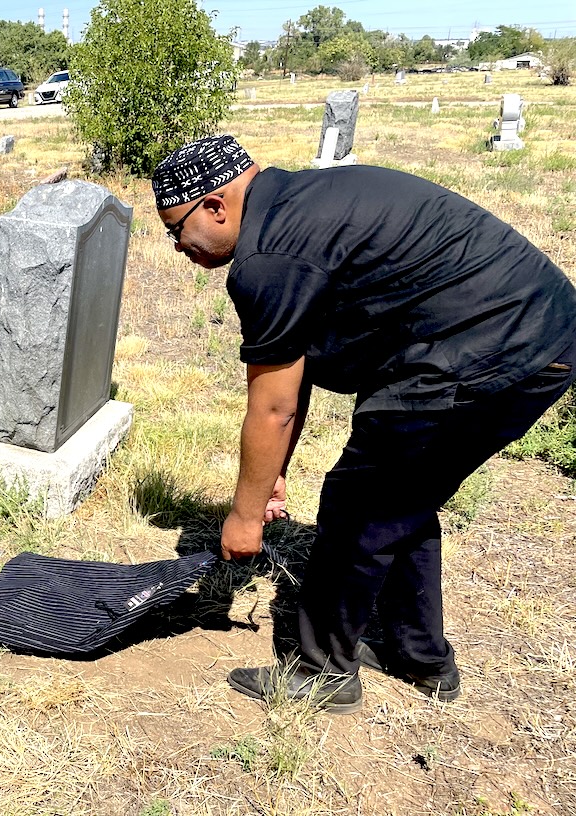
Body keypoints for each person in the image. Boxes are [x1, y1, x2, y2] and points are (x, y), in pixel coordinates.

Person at [151, 135, 576, 713]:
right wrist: (273, 472)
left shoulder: (269, 259)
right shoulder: (298, 206)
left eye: (179, 228)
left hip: (487, 349)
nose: (179, 246)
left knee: (361, 504)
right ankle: (419, 656)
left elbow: (271, 408)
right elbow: (291, 385)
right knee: (403, 497)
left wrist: (245, 518)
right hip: (535, 335)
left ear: (217, 205)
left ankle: (320, 672)